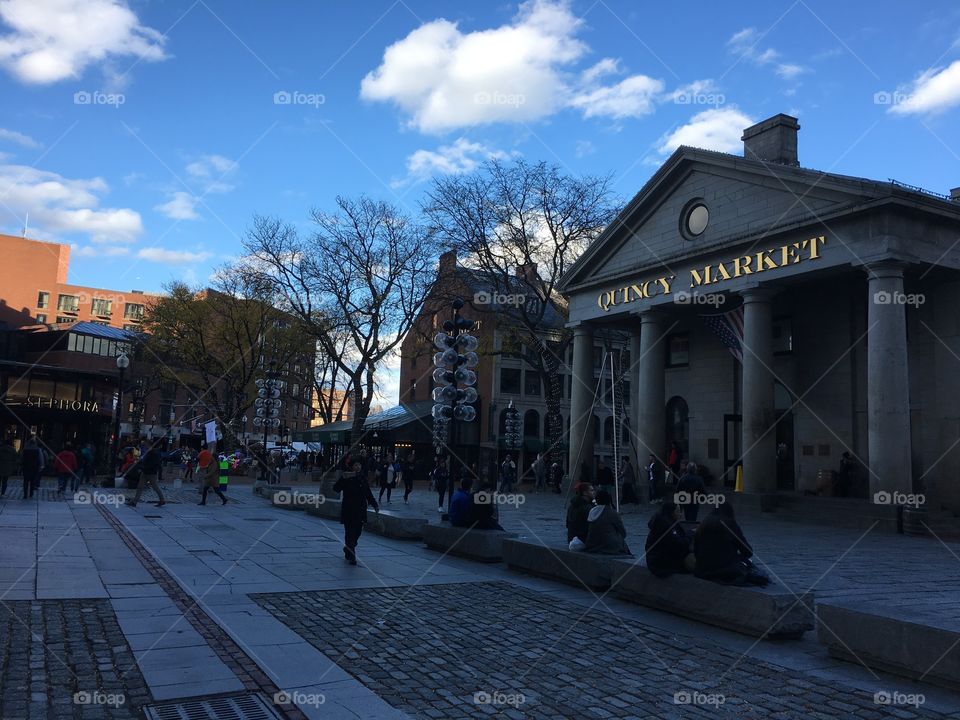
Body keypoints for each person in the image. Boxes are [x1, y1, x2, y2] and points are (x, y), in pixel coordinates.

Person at [693, 502, 769, 586]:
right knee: (746, 564)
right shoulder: (730, 524)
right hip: (723, 570)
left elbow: (696, 550)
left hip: (702, 570)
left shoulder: (704, 524)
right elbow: (747, 551)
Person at [333, 460, 379, 565]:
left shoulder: (363, 478)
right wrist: (342, 478)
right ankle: (352, 556)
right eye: (355, 465)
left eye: (359, 465)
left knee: (358, 532)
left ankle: (348, 548)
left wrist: (375, 504)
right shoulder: (346, 477)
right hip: (348, 509)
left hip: (360, 510)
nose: (358, 467)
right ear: (352, 467)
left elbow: (368, 493)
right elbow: (336, 489)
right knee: (349, 533)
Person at [645, 502, 695, 577]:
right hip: (662, 564)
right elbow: (680, 544)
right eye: (678, 511)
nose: (680, 514)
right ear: (672, 513)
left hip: (657, 560)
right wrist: (691, 533)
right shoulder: (667, 526)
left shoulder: (664, 521)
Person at [585, 489, 631, 555]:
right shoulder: (612, 513)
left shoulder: (592, 511)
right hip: (608, 546)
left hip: (592, 545)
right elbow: (623, 533)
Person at [129, 441, 165, 508]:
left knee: (155, 487)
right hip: (145, 472)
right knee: (140, 487)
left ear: (150, 445)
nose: (145, 447)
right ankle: (134, 502)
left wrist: (143, 467)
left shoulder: (154, 453)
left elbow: (153, 464)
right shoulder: (148, 452)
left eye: (145, 445)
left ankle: (162, 500)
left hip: (151, 473)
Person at [20, 435, 44, 499]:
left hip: (26, 467)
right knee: (32, 481)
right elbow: (40, 459)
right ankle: (31, 493)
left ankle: (25, 494)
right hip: (34, 467)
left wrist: (21, 465)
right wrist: (41, 466)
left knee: (25, 481)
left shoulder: (25, 449)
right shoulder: (38, 450)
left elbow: (21, 458)